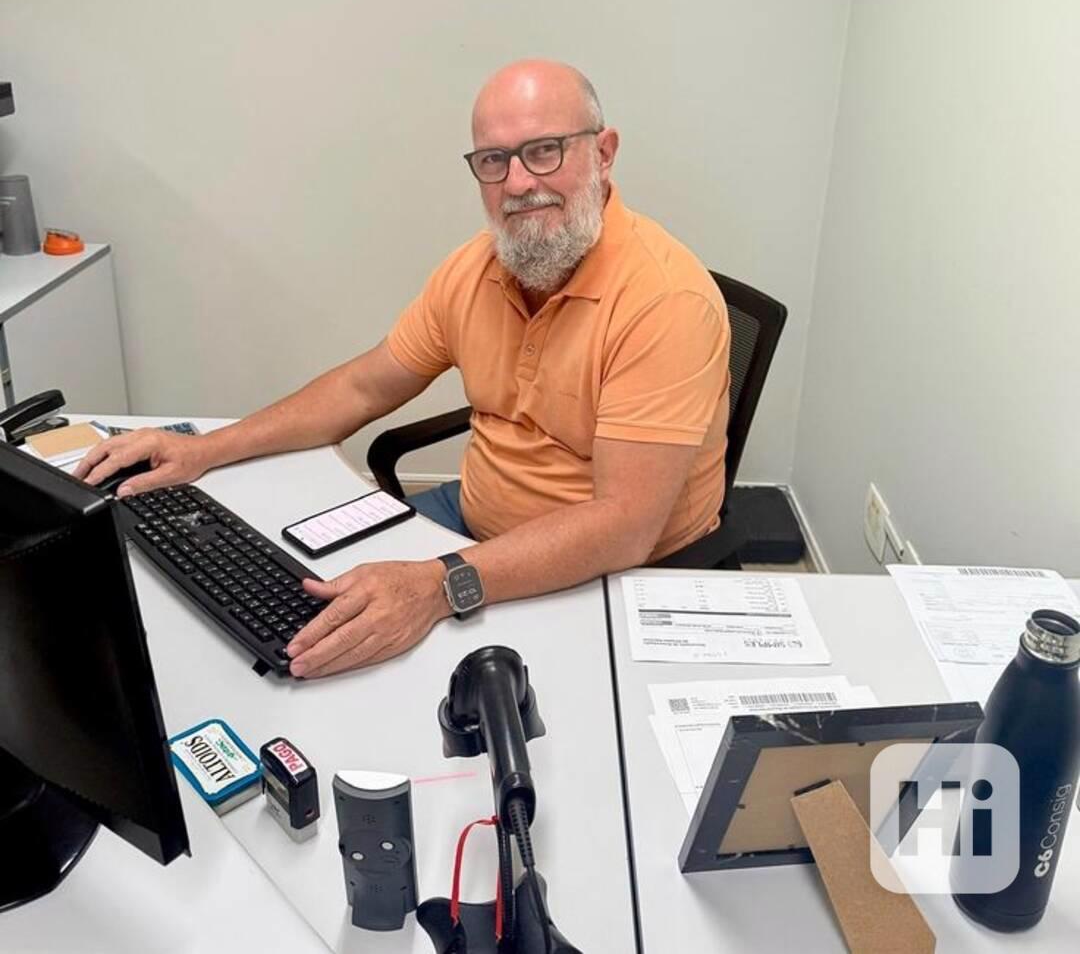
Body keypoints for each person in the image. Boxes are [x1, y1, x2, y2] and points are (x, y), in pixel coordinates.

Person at [77, 61, 730, 677]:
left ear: (604, 152)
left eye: (544, 151)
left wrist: (437, 586)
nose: (518, 184)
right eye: (494, 161)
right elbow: (364, 385)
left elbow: (624, 526)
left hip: (608, 573)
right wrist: (204, 450)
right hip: (472, 528)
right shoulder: (476, 269)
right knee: (297, 613)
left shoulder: (665, 302)